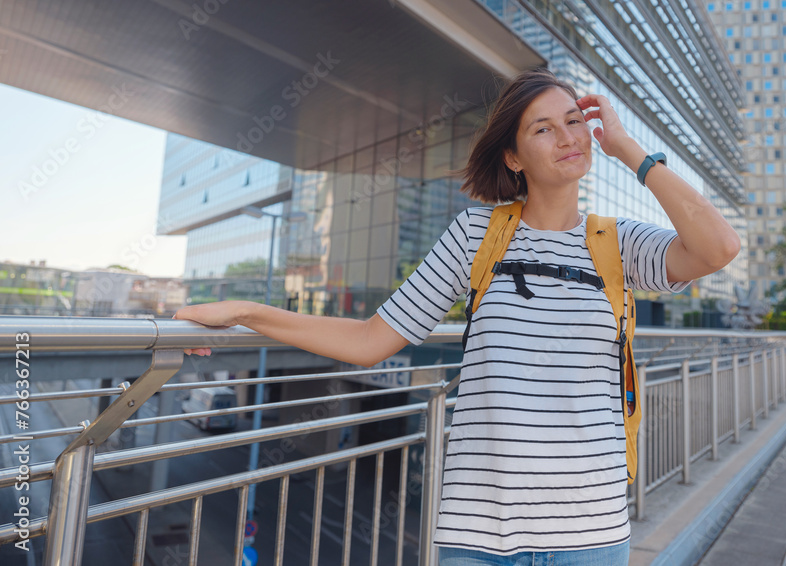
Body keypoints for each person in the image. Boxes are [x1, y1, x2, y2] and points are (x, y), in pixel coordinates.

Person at [173, 67, 741, 564]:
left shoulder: (619, 244)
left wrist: (629, 150)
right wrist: (248, 313)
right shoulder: (477, 236)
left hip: (589, 534)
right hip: (478, 535)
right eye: (543, 128)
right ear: (513, 157)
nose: (568, 137)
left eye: (574, 121)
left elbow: (719, 247)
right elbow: (372, 339)